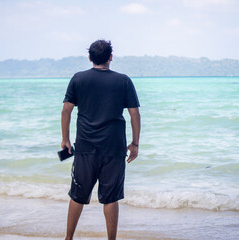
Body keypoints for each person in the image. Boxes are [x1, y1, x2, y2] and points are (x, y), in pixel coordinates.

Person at [61, 39, 141, 240]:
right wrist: (135, 143)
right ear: (111, 57)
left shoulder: (78, 79)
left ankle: (68, 238)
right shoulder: (123, 80)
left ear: (90, 58)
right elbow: (134, 114)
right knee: (111, 198)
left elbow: (66, 110)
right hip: (114, 149)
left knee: (77, 195)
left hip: (86, 147)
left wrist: (65, 139)